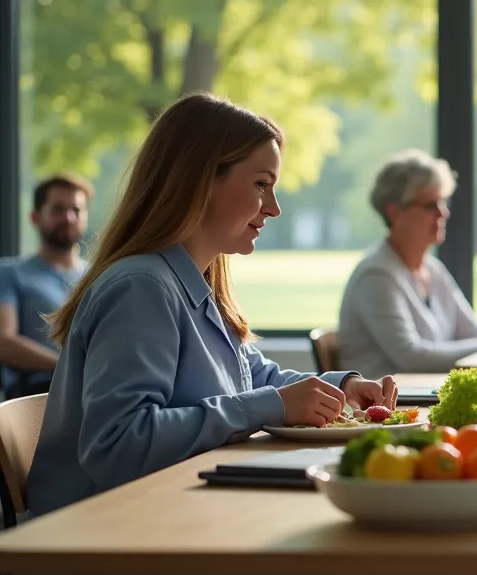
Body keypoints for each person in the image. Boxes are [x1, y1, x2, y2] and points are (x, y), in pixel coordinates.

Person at [27, 94, 397, 517]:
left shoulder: (194, 282)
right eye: (261, 184)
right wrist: (272, 405)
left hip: (164, 513)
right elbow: (119, 446)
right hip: (103, 532)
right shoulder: (141, 288)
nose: (274, 208)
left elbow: (252, 375)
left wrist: (339, 389)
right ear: (201, 181)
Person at [338, 149, 477, 377]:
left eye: (443, 201)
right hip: (385, 399)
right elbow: (410, 356)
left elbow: (475, 332)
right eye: (431, 205)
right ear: (395, 212)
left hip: (423, 392)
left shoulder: (433, 269)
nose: (443, 212)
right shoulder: (375, 275)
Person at [0, 174, 92, 400]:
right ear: (35, 217)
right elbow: (0, 343)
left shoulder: (97, 276)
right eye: (58, 209)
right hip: (38, 393)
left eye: (76, 210)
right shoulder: (9, 273)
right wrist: (67, 367)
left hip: (94, 388)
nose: (69, 218)